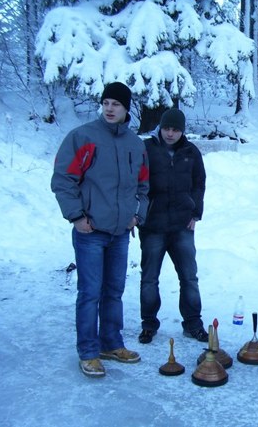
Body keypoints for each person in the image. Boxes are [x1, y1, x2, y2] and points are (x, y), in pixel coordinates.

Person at [51, 82, 149, 378]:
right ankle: (89, 352)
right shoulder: (82, 137)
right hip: (90, 231)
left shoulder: (135, 144)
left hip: (121, 232)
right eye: (106, 102)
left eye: (116, 104)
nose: (109, 108)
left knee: (114, 291)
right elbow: (63, 180)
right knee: (90, 292)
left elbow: (144, 187)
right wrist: (77, 217)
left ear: (126, 108)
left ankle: (111, 343)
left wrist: (136, 216)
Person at [137, 108, 208, 344]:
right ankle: (149, 324)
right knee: (149, 278)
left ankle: (193, 324)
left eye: (175, 129)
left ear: (182, 131)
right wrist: (139, 214)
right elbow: (135, 182)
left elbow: (199, 184)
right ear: (160, 127)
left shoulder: (191, 152)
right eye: (167, 128)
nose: (170, 133)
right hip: (153, 225)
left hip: (181, 226)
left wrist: (195, 213)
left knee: (189, 277)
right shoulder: (146, 149)